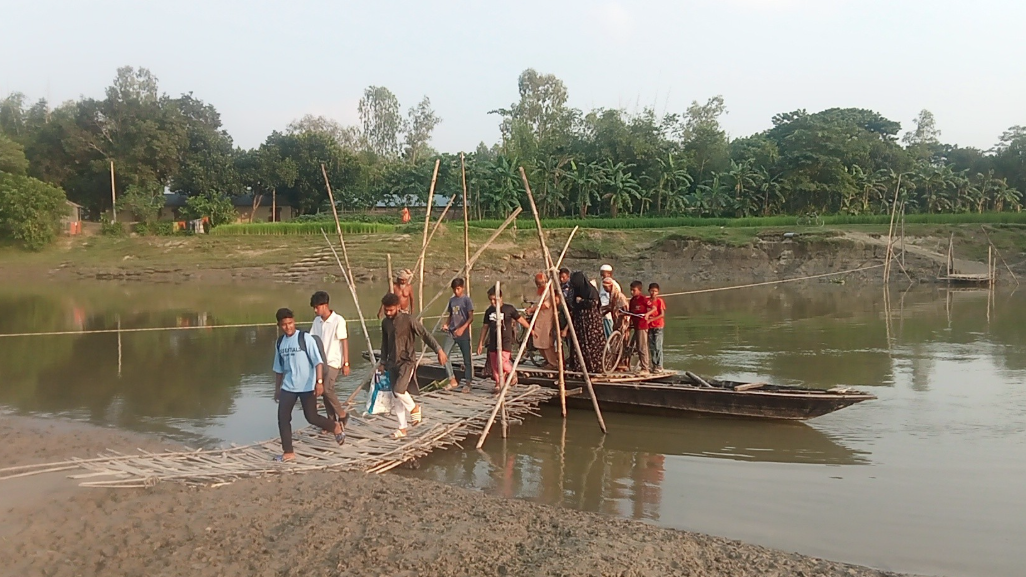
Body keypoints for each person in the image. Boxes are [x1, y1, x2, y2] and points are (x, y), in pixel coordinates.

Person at [272, 308, 345, 462]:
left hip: (307, 386)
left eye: (290, 323)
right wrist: (277, 389)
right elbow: (278, 369)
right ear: (279, 325)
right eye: (284, 324)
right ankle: (288, 452)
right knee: (283, 418)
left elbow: (318, 362)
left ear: (294, 321)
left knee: (311, 417)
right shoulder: (280, 343)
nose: (288, 327)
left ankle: (335, 427)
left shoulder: (305, 338)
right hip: (288, 387)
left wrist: (319, 382)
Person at [377, 293, 447, 439]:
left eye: (391, 310)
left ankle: (414, 408)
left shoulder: (408, 320)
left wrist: (439, 350)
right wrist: (382, 362)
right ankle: (402, 428)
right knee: (396, 397)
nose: (388, 313)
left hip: (407, 361)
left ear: (397, 307)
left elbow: (425, 334)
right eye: (386, 310)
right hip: (392, 363)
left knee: (399, 390)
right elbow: (384, 344)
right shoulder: (385, 323)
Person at [477, 285, 533, 393]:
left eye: (495, 299)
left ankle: (512, 373)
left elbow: (520, 319)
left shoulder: (509, 309)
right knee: (494, 365)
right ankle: (499, 383)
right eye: (491, 300)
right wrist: (480, 343)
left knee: (502, 362)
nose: (493, 302)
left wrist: (531, 330)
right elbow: (485, 328)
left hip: (505, 340)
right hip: (493, 341)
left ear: (500, 298)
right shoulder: (489, 311)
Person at [310, 291, 350, 426]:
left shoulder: (338, 320)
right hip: (321, 362)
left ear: (325, 305)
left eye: (317, 307)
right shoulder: (317, 321)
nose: (315, 310)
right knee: (325, 393)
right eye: (314, 307)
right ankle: (331, 421)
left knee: (327, 388)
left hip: (334, 361)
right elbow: (312, 340)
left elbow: (344, 341)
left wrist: (346, 362)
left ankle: (342, 414)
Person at [566, 271, 605, 373]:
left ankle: (594, 366)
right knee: (580, 342)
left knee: (592, 343)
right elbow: (571, 302)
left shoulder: (590, 290)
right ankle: (580, 366)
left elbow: (594, 303)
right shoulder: (575, 290)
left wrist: (582, 301)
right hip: (580, 321)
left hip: (591, 322)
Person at [441, 278, 474, 392]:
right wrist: (446, 324)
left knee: (467, 359)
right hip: (451, 332)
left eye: (458, 289)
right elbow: (451, 315)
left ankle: (468, 382)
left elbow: (471, 317)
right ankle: (452, 379)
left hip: (463, 334)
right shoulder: (452, 301)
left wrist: (462, 328)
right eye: (454, 289)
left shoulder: (466, 300)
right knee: (444, 355)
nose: (456, 291)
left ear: (462, 288)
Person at [525, 272, 559, 370]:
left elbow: (545, 305)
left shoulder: (549, 291)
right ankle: (548, 360)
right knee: (538, 342)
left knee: (546, 342)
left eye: (540, 283)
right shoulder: (542, 291)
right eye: (537, 283)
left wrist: (532, 309)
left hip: (546, 321)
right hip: (540, 320)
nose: (538, 285)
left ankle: (553, 363)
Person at [628, 281, 651, 374]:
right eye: (631, 290)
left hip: (642, 325)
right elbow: (630, 312)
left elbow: (653, 308)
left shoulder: (643, 299)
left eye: (634, 290)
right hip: (635, 325)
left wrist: (647, 314)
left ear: (639, 290)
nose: (632, 292)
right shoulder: (632, 300)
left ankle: (645, 368)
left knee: (642, 347)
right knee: (635, 346)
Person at [597, 264, 622, 337]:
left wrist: (605, 309)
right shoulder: (603, 283)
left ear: (609, 274)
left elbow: (614, 302)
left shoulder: (613, 285)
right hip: (603, 312)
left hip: (609, 314)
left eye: (603, 274)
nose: (601, 276)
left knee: (610, 334)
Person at [647, 283, 667, 373]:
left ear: (658, 292)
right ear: (649, 291)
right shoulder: (647, 301)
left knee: (658, 347)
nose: (653, 293)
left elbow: (662, 314)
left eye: (655, 291)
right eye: (651, 291)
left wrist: (652, 319)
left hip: (658, 326)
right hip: (649, 327)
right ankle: (654, 365)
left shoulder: (659, 301)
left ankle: (660, 366)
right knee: (651, 347)